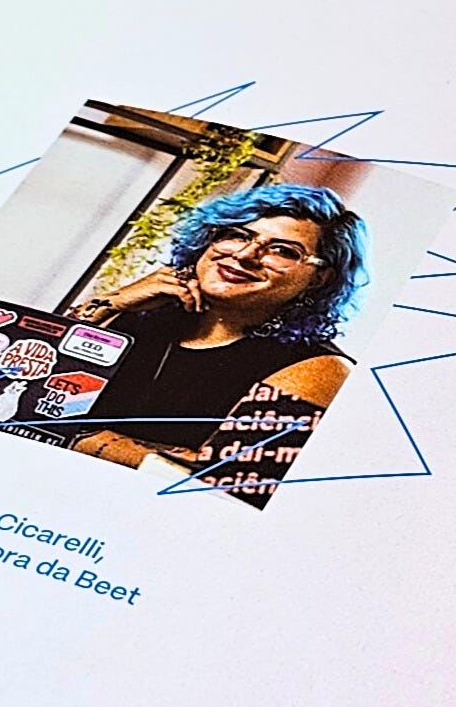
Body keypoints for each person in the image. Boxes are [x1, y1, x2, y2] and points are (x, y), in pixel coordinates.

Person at [58, 184, 367, 504]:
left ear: (319, 279)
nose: (244, 255)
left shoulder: (318, 369)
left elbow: (218, 488)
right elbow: (28, 383)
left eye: (283, 251)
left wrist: (77, 436)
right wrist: (112, 302)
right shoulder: (142, 316)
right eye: (237, 234)